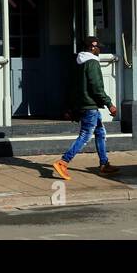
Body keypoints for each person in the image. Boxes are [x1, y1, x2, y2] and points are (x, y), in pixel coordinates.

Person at [53, 36, 119, 180]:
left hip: (82, 104)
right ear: (92, 47)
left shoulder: (77, 62)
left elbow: (70, 86)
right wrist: (109, 104)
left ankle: (104, 164)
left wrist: (69, 107)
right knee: (85, 135)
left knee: (100, 132)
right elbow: (96, 87)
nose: (99, 49)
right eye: (97, 47)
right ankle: (63, 161)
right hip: (90, 106)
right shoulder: (92, 63)